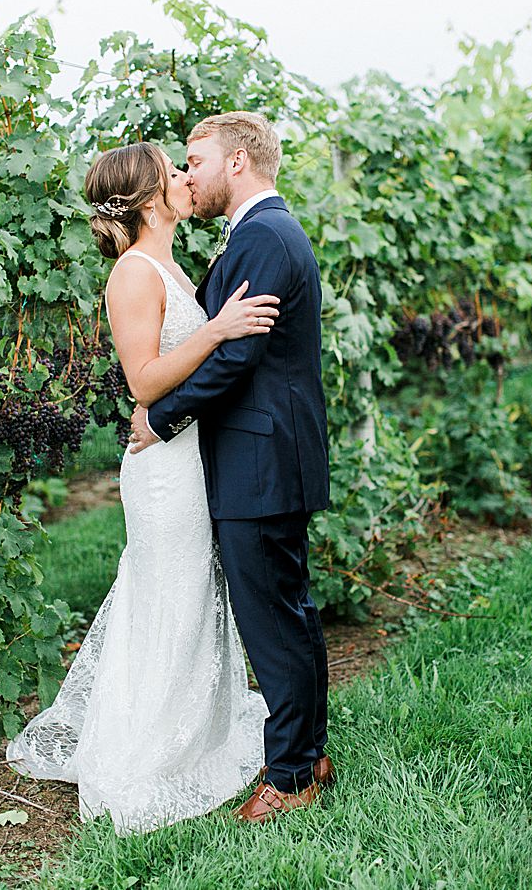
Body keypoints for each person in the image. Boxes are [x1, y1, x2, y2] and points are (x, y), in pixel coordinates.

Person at [6, 141, 277, 834]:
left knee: (190, 596)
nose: (190, 180)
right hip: (162, 470)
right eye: (177, 171)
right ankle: (143, 757)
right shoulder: (132, 272)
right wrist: (217, 330)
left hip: (188, 456)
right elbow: (145, 382)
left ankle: (198, 735)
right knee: (167, 597)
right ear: (152, 196)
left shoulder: (168, 263)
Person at [127, 111, 334, 824]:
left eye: (197, 158)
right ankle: (308, 750)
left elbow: (235, 355)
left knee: (271, 617)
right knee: (287, 608)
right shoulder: (260, 234)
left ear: (238, 162)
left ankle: (291, 774)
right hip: (267, 451)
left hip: (261, 455)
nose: (189, 174)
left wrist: (160, 416)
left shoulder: (264, 236)